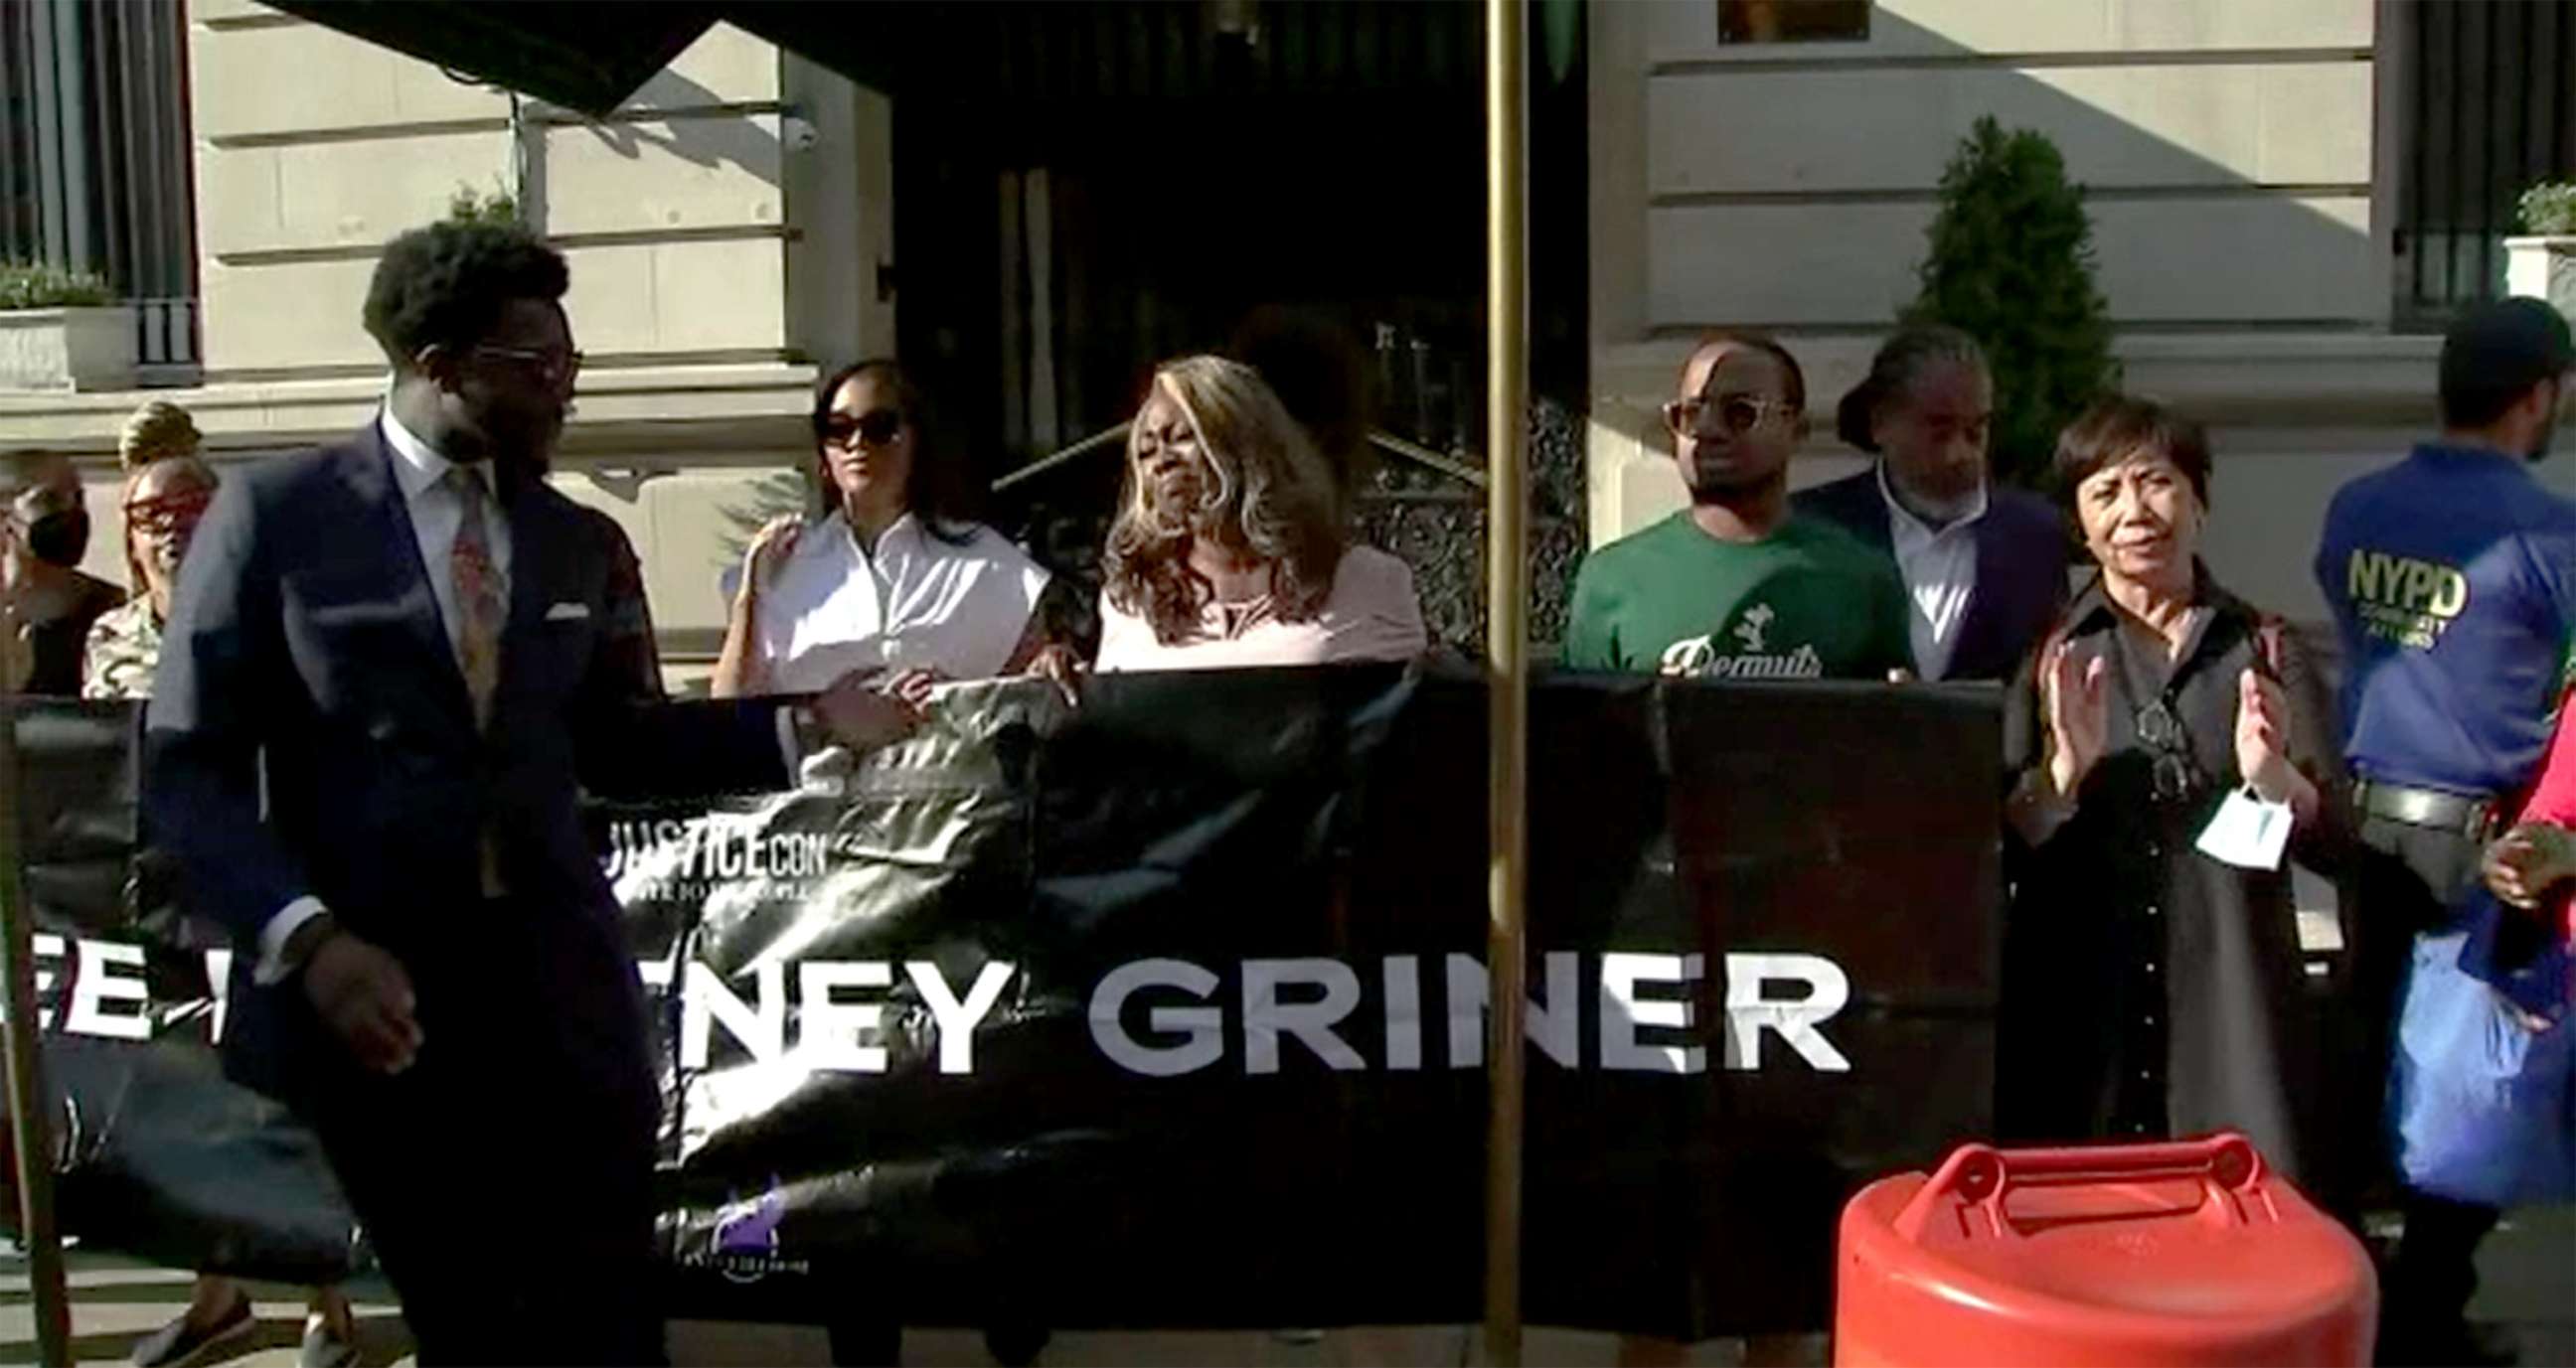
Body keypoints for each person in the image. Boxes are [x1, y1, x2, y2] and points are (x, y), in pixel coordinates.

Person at [144, 219, 923, 1365]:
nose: (564, 391)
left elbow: (617, 742)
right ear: (439, 364)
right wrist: (309, 942)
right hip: (386, 1022)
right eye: (536, 366)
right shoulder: (278, 521)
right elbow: (186, 770)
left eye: (572, 365)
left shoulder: (572, 542)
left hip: (562, 1012)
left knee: (608, 1327)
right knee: (476, 1327)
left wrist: (802, 725)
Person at [1999, 395, 2353, 1200]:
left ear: (2198, 499)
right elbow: (2005, 840)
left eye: (2156, 482)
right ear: (2079, 525)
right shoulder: (2055, 651)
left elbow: (2339, 840)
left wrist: (2276, 781)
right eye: (2105, 493)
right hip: (2083, 1010)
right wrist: (2062, 778)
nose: (2135, 512)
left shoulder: (2263, 647)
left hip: (2230, 1010)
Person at [2313, 296, 2576, 1366]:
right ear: (2540, 396)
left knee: (2373, 1057)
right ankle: (2421, 1319)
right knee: (2474, 1086)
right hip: (2495, 853)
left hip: (2372, 834)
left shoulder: (2357, 505)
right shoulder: (2551, 531)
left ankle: (2359, 1295)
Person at [1563, 332, 1910, 681]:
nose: (1708, 430)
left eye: (1740, 413)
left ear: (1797, 429)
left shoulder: (1863, 577)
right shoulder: (1613, 579)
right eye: (1691, 414)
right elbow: (1581, 728)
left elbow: (1891, 725)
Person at [713, 359, 1050, 697]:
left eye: (879, 427)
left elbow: (1030, 690)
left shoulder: (987, 562)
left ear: (917, 443)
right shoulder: (784, 567)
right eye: (839, 429)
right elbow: (729, 708)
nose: (857, 443)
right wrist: (750, 596)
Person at [1089, 354, 1425, 672]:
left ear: (1244, 445)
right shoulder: (1129, 603)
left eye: (1182, 438)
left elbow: (1408, 711)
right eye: (1146, 452)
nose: (1162, 461)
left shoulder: (1366, 581)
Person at [1792, 325, 2066, 682]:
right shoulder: (1815, 527)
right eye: (1939, 432)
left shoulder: (2035, 535)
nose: (1960, 454)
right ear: (1880, 424)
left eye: (1976, 431)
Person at [0, 448, 124, 695]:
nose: (71, 512)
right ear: (6, 518)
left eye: (78, 498)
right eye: (50, 500)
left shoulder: (111, 610)